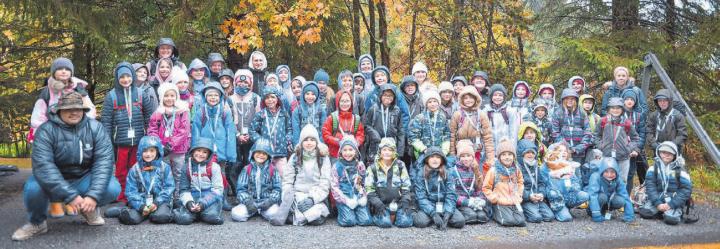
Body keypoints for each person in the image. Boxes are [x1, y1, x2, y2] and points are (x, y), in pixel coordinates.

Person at [12, 92, 120, 241]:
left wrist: (93, 195)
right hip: (54, 179)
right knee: (33, 189)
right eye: (69, 109)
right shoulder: (45, 131)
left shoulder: (96, 128)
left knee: (112, 187)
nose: (74, 112)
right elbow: (44, 167)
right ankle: (37, 223)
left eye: (78, 108)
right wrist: (71, 196)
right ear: (59, 110)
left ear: (83, 110)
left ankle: (89, 209)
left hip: (83, 177)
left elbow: (104, 163)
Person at [101, 62, 157, 203]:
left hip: (139, 139)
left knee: (136, 167)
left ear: (132, 76)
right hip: (120, 141)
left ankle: (134, 191)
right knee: (120, 169)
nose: (126, 79)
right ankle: (120, 194)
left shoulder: (140, 93)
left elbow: (148, 116)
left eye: (128, 76)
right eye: (122, 77)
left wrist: (149, 135)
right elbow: (106, 121)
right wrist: (107, 140)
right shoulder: (111, 96)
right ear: (117, 78)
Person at [191, 81, 237, 210]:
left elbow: (230, 133)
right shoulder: (201, 112)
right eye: (210, 95)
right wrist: (195, 151)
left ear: (220, 96)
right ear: (205, 97)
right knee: (207, 173)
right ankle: (208, 199)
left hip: (221, 150)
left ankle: (223, 198)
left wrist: (231, 154)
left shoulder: (225, 112)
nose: (213, 98)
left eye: (216, 95)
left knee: (221, 174)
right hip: (204, 150)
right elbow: (195, 132)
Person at [30, 58, 97, 145]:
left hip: (77, 132)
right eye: (60, 69)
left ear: (71, 73)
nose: (64, 71)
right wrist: (39, 134)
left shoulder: (79, 89)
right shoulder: (47, 91)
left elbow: (89, 110)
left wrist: (85, 127)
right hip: (53, 134)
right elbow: (39, 115)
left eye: (67, 69)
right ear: (54, 72)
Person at [146, 83, 191, 199]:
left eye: (172, 95)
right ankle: (165, 195)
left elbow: (184, 130)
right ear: (161, 97)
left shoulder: (183, 111)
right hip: (162, 149)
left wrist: (171, 144)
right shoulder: (158, 112)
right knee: (163, 172)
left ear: (176, 96)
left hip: (178, 148)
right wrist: (158, 144)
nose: (169, 98)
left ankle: (177, 195)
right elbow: (152, 129)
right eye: (166, 96)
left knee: (178, 172)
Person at [282, 125, 333, 226]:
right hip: (298, 194)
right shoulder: (295, 157)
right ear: (301, 142)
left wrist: (312, 199)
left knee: (314, 215)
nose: (309, 143)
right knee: (302, 211)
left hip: (315, 196)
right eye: (306, 140)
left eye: (312, 140)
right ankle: (298, 214)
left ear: (317, 141)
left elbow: (325, 183)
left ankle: (301, 217)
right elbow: (287, 180)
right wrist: (287, 198)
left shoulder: (323, 158)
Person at [117, 136, 174, 225]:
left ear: (158, 151)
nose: (148, 154)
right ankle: (125, 211)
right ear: (140, 152)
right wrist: (141, 206)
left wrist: (156, 203)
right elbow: (131, 191)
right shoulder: (134, 169)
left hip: (160, 202)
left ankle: (153, 213)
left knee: (161, 217)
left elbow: (169, 187)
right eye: (145, 151)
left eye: (152, 151)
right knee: (131, 219)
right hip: (141, 201)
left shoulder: (164, 167)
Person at [639, 141, 693, 225]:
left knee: (671, 220)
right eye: (664, 152)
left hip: (673, 200)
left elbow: (686, 190)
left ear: (675, 155)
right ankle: (661, 210)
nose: (666, 155)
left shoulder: (681, 171)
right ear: (659, 152)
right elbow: (650, 188)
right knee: (645, 213)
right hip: (658, 198)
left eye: (669, 153)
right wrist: (658, 203)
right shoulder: (653, 169)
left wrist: (671, 204)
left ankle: (672, 211)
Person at [173, 138, 224, 225]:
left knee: (211, 217)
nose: (200, 154)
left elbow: (218, 189)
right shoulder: (186, 167)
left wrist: (203, 203)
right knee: (183, 219)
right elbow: (184, 189)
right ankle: (194, 212)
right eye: (198, 150)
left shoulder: (214, 167)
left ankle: (201, 213)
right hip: (192, 197)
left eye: (205, 152)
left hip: (209, 198)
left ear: (209, 154)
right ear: (193, 151)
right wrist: (189, 203)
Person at [365, 138, 414, 228]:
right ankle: (378, 217)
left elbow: (406, 185)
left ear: (394, 152)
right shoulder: (372, 168)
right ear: (380, 151)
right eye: (384, 150)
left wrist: (405, 200)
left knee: (405, 223)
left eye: (390, 150)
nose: (387, 152)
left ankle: (399, 216)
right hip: (381, 205)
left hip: (398, 204)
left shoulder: (400, 165)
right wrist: (378, 204)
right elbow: (369, 189)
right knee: (385, 223)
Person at [413, 147, 465, 230]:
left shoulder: (447, 172)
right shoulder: (421, 173)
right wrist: (433, 214)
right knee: (420, 222)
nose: (435, 160)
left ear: (442, 160)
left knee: (460, 221)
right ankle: (435, 218)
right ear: (427, 159)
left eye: (438, 157)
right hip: (430, 204)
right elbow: (421, 197)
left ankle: (443, 218)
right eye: (432, 157)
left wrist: (448, 213)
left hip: (444, 204)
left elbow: (451, 194)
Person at [231, 138, 282, 222]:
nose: (261, 155)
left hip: (266, 202)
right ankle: (253, 211)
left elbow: (277, 189)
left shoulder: (273, 170)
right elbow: (241, 189)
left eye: (264, 153)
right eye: (258, 152)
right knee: (236, 214)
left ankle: (262, 211)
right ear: (252, 153)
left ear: (268, 155)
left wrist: (270, 201)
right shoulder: (247, 169)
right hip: (250, 202)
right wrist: (247, 201)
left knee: (276, 214)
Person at [593, 97, 640, 186]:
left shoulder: (627, 123)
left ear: (622, 109)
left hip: (623, 157)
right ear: (609, 109)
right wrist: (601, 146)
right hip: (607, 156)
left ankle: (620, 199)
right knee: (605, 179)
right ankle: (606, 199)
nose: (615, 110)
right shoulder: (603, 121)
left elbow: (635, 138)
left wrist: (628, 149)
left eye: (618, 108)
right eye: (613, 108)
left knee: (622, 181)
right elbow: (596, 135)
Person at [482, 138, 526, 227]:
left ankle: (510, 212)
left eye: (510, 154)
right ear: (499, 157)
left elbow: (520, 182)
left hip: (514, 201)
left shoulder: (517, 170)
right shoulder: (493, 171)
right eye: (504, 155)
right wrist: (494, 198)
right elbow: (486, 187)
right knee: (507, 221)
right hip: (500, 201)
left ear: (514, 156)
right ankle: (494, 213)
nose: (507, 157)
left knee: (521, 222)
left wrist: (519, 193)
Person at [330, 137, 372, 227]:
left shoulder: (360, 165)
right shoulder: (336, 166)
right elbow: (334, 187)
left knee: (366, 221)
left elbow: (363, 181)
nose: (347, 153)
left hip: (357, 196)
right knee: (348, 221)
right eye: (344, 150)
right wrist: (346, 200)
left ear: (355, 151)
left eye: (350, 149)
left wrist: (362, 196)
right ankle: (343, 211)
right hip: (344, 198)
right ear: (340, 152)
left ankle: (356, 211)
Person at [250, 87, 292, 175]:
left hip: (281, 153)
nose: (270, 100)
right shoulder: (261, 114)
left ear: (278, 99)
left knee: (283, 176)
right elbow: (252, 130)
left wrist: (287, 140)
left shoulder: (284, 114)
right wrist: (261, 141)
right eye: (267, 97)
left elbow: (289, 129)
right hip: (265, 153)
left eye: (273, 97)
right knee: (266, 176)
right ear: (263, 100)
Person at [230, 69, 262, 184]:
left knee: (250, 162)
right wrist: (237, 135)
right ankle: (235, 189)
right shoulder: (230, 99)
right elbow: (229, 120)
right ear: (235, 83)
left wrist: (251, 134)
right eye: (240, 83)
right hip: (236, 138)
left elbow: (259, 118)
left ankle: (250, 185)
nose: (242, 85)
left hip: (251, 137)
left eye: (246, 83)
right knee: (236, 163)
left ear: (250, 84)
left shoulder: (256, 98)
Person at [543, 142, 589, 222]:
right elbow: (546, 185)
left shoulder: (570, 166)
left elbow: (577, 183)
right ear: (553, 152)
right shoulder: (546, 166)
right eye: (560, 151)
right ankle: (556, 208)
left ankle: (567, 207)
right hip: (555, 198)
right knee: (566, 218)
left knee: (584, 195)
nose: (563, 153)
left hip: (568, 194)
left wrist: (571, 189)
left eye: (565, 151)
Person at [449, 86, 495, 166]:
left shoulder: (481, 115)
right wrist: (452, 155)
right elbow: (452, 136)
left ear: (476, 99)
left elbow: (488, 137)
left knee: (476, 173)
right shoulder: (457, 114)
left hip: (476, 151)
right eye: (466, 98)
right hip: (461, 152)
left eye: (471, 98)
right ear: (462, 100)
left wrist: (490, 158)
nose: (468, 100)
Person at [363, 84, 405, 165]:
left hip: (391, 146)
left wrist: (400, 151)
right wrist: (374, 134)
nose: (388, 97)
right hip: (376, 145)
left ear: (394, 97)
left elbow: (401, 131)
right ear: (380, 96)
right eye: (385, 95)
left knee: (390, 168)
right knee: (376, 168)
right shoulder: (374, 109)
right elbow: (366, 125)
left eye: (390, 95)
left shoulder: (397, 110)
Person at [450, 139, 490, 224]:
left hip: (473, 201)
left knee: (482, 217)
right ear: (458, 157)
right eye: (463, 156)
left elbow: (479, 188)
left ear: (473, 157)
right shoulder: (453, 171)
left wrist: (480, 200)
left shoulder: (475, 169)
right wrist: (467, 202)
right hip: (460, 202)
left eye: (468, 156)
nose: (466, 159)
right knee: (471, 216)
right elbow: (451, 194)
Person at [586, 159, 635, 223]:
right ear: (602, 171)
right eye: (606, 172)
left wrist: (629, 215)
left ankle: (605, 210)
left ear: (616, 172)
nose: (609, 175)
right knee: (602, 197)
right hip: (597, 201)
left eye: (612, 172)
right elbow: (592, 195)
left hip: (608, 201)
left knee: (621, 200)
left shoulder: (618, 179)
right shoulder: (595, 176)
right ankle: (592, 211)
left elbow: (625, 195)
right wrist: (596, 214)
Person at [551, 88, 592, 164]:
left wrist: (579, 148)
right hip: (563, 152)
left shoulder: (582, 113)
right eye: (567, 98)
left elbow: (588, 132)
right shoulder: (557, 113)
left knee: (577, 173)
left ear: (576, 100)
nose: (570, 100)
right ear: (563, 99)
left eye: (572, 99)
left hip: (579, 153)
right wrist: (567, 148)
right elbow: (555, 133)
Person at [517, 140, 553, 223]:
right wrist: (529, 196)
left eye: (533, 153)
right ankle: (523, 212)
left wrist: (541, 194)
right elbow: (517, 187)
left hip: (537, 198)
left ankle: (534, 210)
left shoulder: (536, 166)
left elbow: (541, 183)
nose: (530, 155)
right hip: (526, 199)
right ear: (522, 154)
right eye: (528, 152)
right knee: (536, 218)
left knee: (550, 217)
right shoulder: (518, 168)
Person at [322, 90, 366, 159]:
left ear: (351, 103)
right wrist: (337, 141)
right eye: (342, 101)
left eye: (347, 101)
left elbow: (360, 135)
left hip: (352, 155)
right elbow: (325, 134)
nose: (345, 104)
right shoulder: (332, 118)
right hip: (335, 155)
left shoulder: (356, 119)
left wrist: (356, 142)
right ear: (337, 102)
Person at [408, 90, 450, 160]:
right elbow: (413, 137)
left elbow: (446, 136)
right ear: (426, 104)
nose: (432, 104)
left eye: (435, 101)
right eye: (429, 102)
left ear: (438, 103)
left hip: (439, 153)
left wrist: (444, 151)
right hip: (423, 153)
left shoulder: (443, 118)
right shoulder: (420, 118)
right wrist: (423, 149)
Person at [622, 88, 648, 192]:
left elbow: (642, 134)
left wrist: (636, 149)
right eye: (627, 99)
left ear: (635, 101)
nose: (629, 101)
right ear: (623, 100)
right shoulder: (618, 113)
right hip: (620, 150)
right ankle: (617, 200)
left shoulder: (638, 116)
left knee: (630, 173)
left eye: (632, 99)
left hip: (633, 151)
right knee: (618, 173)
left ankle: (626, 199)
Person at [646, 89, 687, 153]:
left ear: (669, 101)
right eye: (660, 101)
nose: (662, 103)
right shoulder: (653, 115)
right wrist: (653, 144)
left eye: (665, 100)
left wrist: (671, 145)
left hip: (674, 150)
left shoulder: (677, 115)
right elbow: (649, 131)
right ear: (657, 102)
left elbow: (682, 135)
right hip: (658, 149)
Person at [291, 81, 327, 146]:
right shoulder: (298, 111)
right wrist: (297, 145)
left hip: (317, 143)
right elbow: (296, 130)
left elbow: (323, 129)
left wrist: (321, 144)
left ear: (317, 95)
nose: (310, 97)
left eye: (313, 94)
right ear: (303, 94)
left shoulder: (321, 110)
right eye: (307, 94)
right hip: (302, 143)